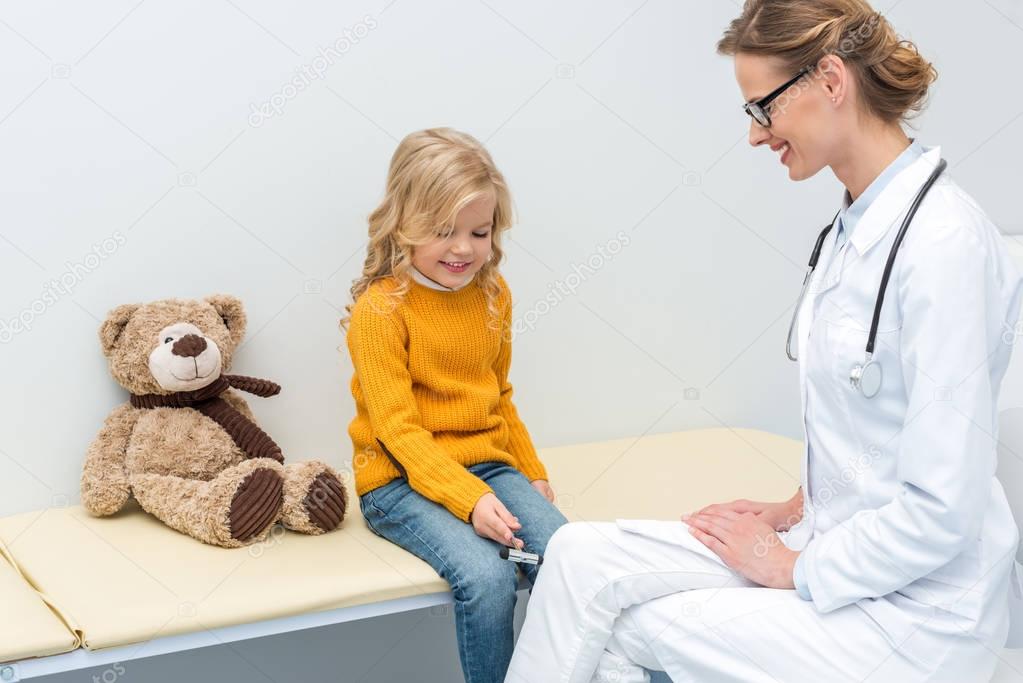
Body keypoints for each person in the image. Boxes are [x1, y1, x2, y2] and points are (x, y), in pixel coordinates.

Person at [505, 2, 1023, 681]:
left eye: (761, 109)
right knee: (578, 556)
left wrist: (793, 565)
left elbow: (941, 510)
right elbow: (877, 424)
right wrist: (797, 507)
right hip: (839, 548)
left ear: (829, 81)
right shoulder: (853, 226)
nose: (755, 136)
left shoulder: (942, 245)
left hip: (917, 615)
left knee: (627, 623)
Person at [343, 127, 568, 683]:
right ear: (404, 224)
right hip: (396, 480)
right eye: (443, 231)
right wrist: (471, 501)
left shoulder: (494, 295)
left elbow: (500, 395)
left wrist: (531, 472)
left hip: (487, 466)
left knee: (566, 554)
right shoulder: (382, 311)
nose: (464, 248)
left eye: (479, 231)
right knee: (487, 580)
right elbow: (398, 431)